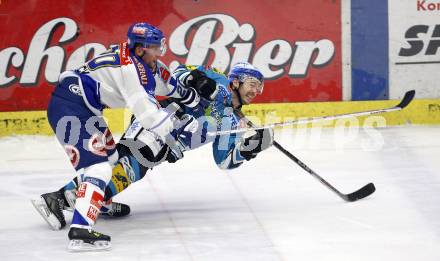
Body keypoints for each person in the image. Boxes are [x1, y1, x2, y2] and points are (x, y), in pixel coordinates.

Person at [33, 62, 274, 249]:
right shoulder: (217, 79)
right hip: (157, 122)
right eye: (252, 83)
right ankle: (60, 199)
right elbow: (177, 73)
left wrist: (250, 147)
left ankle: (89, 199)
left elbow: (225, 160)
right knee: (128, 165)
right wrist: (195, 79)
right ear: (236, 81)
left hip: (167, 146)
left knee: (125, 167)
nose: (255, 90)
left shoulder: (232, 120)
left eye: (259, 86)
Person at [31, 22, 214, 251]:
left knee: (112, 158)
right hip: (70, 107)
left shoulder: (142, 60)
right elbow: (149, 119)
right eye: (156, 48)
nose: (160, 53)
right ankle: (81, 231)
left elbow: (169, 85)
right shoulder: (131, 71)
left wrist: (197, 97)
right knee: (99, 169)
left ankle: (95, 202)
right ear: (140, 49)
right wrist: (179, 123)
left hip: (84, 108)